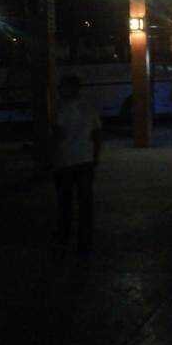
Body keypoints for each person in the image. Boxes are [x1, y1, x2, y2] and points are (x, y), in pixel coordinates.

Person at [52, 75, 102, 257]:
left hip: (66, 161)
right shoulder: (89, 107)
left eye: (62, 87)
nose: (60, 90)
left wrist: (51, 157)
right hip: (85, 160)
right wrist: (95, 156)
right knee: (85, 203)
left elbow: (58, 135)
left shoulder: (61, 109)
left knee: (65, 202)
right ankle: (85, 240)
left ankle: (64, 237)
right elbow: (97, 134)